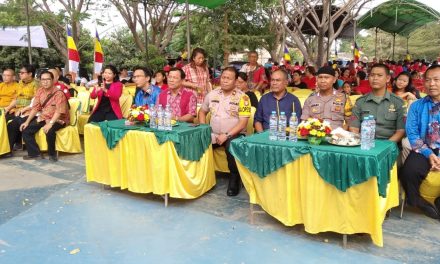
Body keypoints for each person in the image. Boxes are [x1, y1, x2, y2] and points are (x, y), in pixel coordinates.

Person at [198, 67, 251, 196]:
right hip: (213, 133)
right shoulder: (212, 94)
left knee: (231, 145)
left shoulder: (243, 98)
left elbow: (243, 122)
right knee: (197, 142)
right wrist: (204, 129)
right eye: (223, 77)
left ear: (235, 81)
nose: (225, 81)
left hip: (234, 134)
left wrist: (226, 135)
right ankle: (201, 177)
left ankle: (234, 178)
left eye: (229, 78)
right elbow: (202, 112)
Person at [400, 64, 440, 219]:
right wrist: (429, 154)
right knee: (408, 171)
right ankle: (415, 200)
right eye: (428, 80)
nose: (432, 84)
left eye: (436, 80)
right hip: (424, 147)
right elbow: (412, 133)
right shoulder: (417, 106)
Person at [8, 71, 69, 161]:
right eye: (43, 79)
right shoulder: (40, 91)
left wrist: (51, 123)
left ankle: (52, 154)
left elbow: (59, 111)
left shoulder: (58, 93)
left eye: (48, 79)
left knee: (50, 130)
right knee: (26, 129)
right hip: (44, 117)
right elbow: (35, 108)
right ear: (40, 81)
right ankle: (35, 153)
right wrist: (27, 121)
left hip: (58, 119)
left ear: (53, 80)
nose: (45, 82)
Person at [349, 63, 405, 142]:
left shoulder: (398, 102)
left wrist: (385, 147)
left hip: (390, 146)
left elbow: (400, 131)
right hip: (364, 144)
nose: (375, 78)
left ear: (388, 78)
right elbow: (354, 128)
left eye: (379, 75)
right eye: (372, 75)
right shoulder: (360, 102)